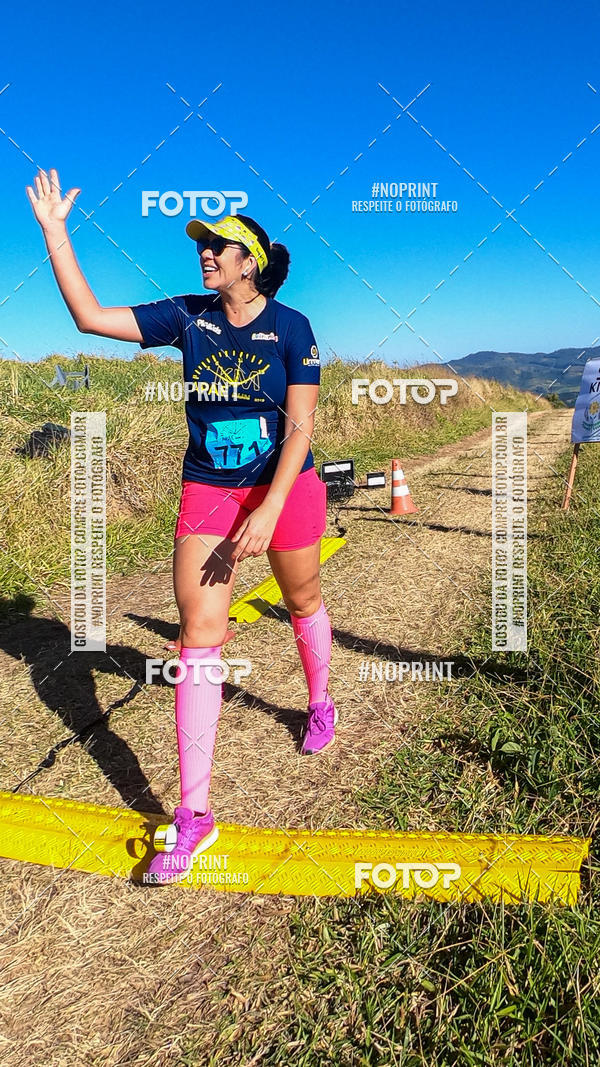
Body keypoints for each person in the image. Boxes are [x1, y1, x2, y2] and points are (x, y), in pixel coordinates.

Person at [27, 167, 338, 884]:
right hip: (208, 490)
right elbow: (90, 318)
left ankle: (319, 700)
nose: (205, 252)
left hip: (284, 486)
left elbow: (300, 428)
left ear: (250, 261)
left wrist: (267, 506)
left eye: (220, 245)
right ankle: (193, 816)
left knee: (302, 599)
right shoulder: (186, 317)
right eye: (203, 244)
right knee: (198, 631)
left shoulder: (293, 328)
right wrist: (56, 234)